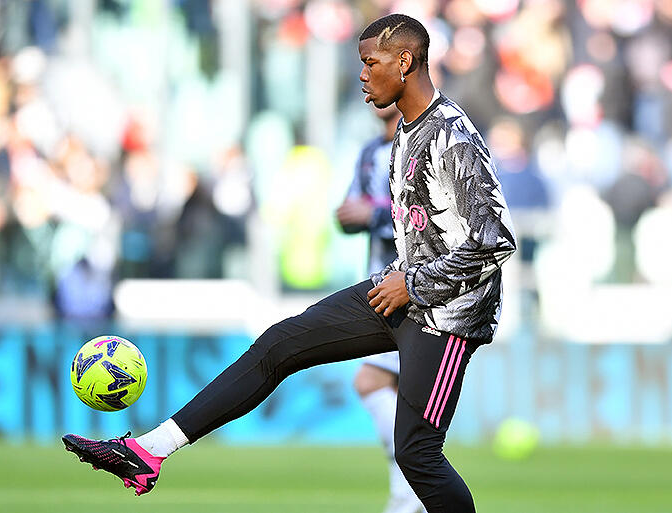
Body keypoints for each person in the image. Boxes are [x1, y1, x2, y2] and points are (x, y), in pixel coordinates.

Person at [62, 14, 516, 513]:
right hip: (401, 292)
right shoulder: (406, 132)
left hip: (447, 317)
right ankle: (147, 451)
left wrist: (413, 284)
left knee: (417, 454)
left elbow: (496, 240)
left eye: (371, 63)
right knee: (279, 344)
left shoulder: (452, 135)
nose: (362, 74)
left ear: (404, 61)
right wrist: (403, 279)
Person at [336, 103, 426, 513]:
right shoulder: (370, 151)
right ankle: (409, 494)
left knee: (370, 381)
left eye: (376, 71)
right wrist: (350, 217)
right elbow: (351, 210)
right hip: (379, 285)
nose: (367, 83)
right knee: (398, 395)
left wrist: (372, 213)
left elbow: (427, 217)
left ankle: (411, 494)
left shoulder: (422, 143)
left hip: (413, 286)